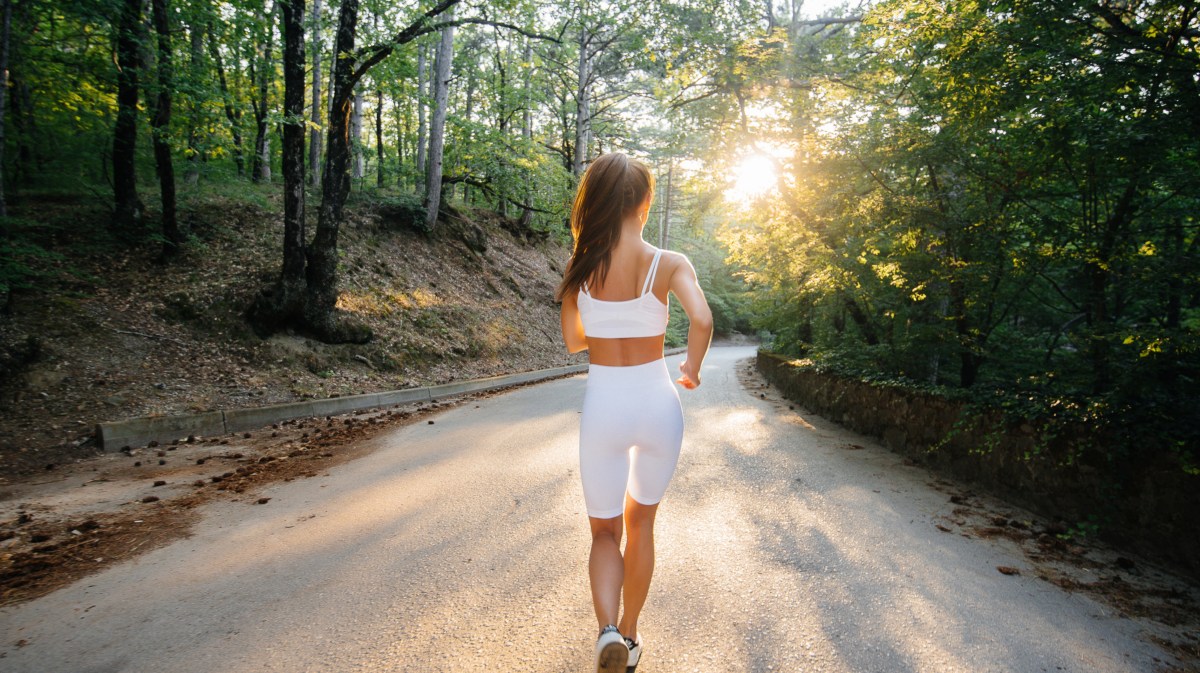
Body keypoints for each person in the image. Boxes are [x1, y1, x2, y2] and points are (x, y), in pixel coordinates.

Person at [557, 152, 713, 673]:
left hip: (604, 405)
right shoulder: (668, 263)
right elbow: (703, 317)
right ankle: (631, 633)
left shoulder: (581, 269)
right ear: (645, 204)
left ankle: (606, 631)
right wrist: (690, 366)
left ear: (595, 204)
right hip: (656, 404)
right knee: (641, 522)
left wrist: (599, 310)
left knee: (605, 532)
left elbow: (574, 343)